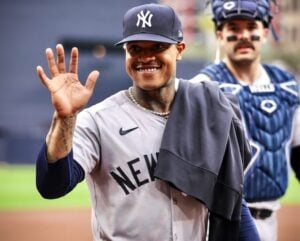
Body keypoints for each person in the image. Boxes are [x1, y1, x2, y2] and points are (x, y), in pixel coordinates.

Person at [35, 3, 260, 241]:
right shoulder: (98, 121)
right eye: (135, 48)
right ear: (126, 53)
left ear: (180, 49)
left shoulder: (210, 108)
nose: (146, 57)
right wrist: (65, 119)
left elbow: (230, 196)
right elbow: (53, 185)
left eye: (158, 46)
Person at [191, 1, 300, 240]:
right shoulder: (203, 86)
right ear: (220, 34)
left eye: (251, 26)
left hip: (271, 219)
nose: (243, 35)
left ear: (265, 31)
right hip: (220, 222)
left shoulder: (287, 85)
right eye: (233, 27)